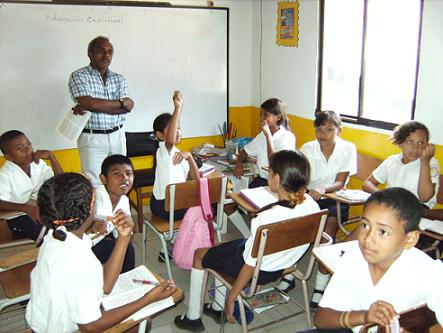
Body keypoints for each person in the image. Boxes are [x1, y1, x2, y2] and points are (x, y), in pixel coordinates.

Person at [174, 150, 320, 332]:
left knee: (200, 254)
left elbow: (249, 265)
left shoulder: (265, 219)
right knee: (221, 249)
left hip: (259, 270)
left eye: (270, 172)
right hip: (284, 265)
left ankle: (193, 317)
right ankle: (216, 309)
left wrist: (232, 296)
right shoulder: (313, 207)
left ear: (276, 179)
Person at [26, 173, 176, 333]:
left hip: (46, 321)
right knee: (141, 323)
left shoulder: (56, 234)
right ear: (91, 208)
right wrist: (148, 299)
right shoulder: (79, 260)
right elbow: (90, 326)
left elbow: (105, 286)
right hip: (63, 328)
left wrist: (124, 237)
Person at [314, 188, 443, 332]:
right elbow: (321, 318)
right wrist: (365, 316)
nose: (368, 239)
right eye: (365, 225)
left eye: (382, 231)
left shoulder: (430, 273)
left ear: (410, 239)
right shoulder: (353, 258)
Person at [295, 110, 357, 305]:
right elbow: (301, 178)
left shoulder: (348, 148)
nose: (323, 134)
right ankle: (290, 273)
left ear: (340, 130)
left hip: (334, 198)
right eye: (319, 129)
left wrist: (322, 188)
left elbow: (340, 182)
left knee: (327, 237)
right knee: (298, 231)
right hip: (309, 197)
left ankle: (320, 287)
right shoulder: (307, 148)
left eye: (330, 129)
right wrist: (306, 191)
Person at [68, 36, 134, 187]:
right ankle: (100, 212)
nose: (106, 55)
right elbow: (89, 103)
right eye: (101, 51)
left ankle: (118, 212)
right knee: (95, 183)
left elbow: (128, 107)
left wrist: (96, 105)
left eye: (110, 52)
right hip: (92, 138)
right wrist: (120, 104)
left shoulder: (119, 79)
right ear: (90, 53)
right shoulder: (78, 76)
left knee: (121, 180)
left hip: (117, 136)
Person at [228, 98, 296, 238]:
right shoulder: (261, 135)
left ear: (277, 117)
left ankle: (261, 238)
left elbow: (275, 162)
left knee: (258, 212)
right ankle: (250, 237)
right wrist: (239, 164)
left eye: (266, 115)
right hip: (262, 180)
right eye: (261, 114)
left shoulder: (287, 137)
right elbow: (244, 151)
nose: (262, 118)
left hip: (278, 184)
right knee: (229, 203)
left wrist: (268, 136)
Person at [150, 91, 200, 261]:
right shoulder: (163, 151)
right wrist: (177, 108)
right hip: (162, 205)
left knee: (197, 207)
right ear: (160, 135)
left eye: (179, 128)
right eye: (173, 128)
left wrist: (191, 157)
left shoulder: (180, 153)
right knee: (194, 210)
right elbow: (170, 141)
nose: (178, 132)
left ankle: (174, 245)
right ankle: (176, 244)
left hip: (177, 204)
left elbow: (196, 179)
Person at [0, 130, 63, 242]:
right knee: (50, 235)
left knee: (67, 221)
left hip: (37, 209)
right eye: (19, 148)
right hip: (16, 216)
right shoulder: (5, 174)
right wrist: (27, 209)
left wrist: (51, 156)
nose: (28, 149)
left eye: (28, 144)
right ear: (8, 157)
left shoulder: (37, 163)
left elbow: (61, 182)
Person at [363, 121, 440, 209]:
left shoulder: (430, 163)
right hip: (392, 207)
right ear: (400, 143)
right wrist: (385, 196)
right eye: (410, 142)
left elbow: (425, 198)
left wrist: (425, 163)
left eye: (421, 143)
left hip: (417, 210)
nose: (415, 148)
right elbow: (367, 184)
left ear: (427, 145)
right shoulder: (392, 161)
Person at [89, 154, 136, 273]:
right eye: (116, 174)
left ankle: (125, 283)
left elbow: (120, 236)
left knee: (128, 250)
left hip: (96, 244)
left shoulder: (124, 201)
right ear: (103, 178)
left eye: (129, 173)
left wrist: (126, 231)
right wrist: (89, 226)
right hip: (77, 246)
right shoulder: (91, 197)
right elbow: (69, 227)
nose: (125, 178)